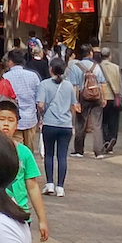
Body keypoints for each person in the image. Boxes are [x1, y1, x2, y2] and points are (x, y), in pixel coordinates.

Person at [0, 100, 49, 241]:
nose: (6, 124)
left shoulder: (24, 153)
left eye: (11, 120)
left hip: (20, 215)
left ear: (16, 125)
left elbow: (33, 186)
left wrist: (42, 220)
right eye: (2, 119)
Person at [34, 59, 79, 196]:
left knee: (48, 154)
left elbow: (40, 104)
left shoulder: (44, 84)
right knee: (62, 156)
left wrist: (42, 113)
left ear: (51, 69)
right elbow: (73, 106)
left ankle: (49, 184)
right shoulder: (68, 86)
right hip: (65, 124)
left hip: (50, 123)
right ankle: (60, 186)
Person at [4, 51, 41, 151]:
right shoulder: (33, 76)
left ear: (10, 61)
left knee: (16, 149)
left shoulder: (5, 77)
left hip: (14, 118)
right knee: (29, 148)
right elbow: (39, 98)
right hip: (31, 117)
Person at [95, 48, 122, 154]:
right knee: (114, 121)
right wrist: (120, 96)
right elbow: (120, 84)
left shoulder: (97, 67)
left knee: (103, 121)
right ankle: (112, 138)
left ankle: (106, 139)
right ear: (110, 56)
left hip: (102, 97)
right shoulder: (116, 67)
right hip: (114, 97)